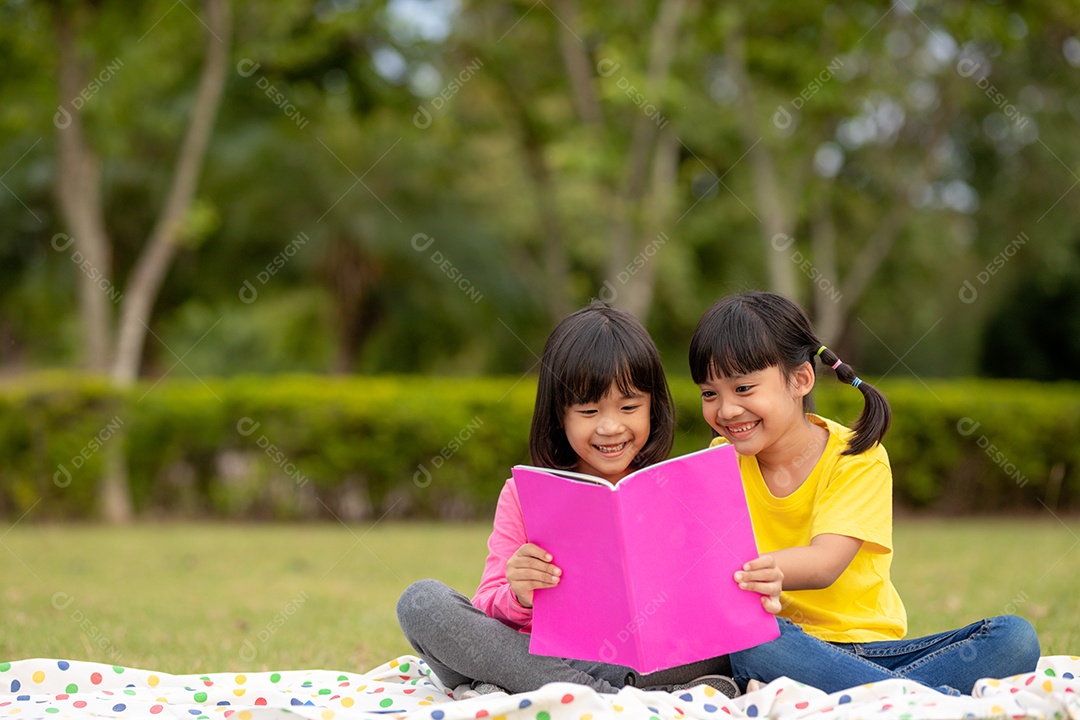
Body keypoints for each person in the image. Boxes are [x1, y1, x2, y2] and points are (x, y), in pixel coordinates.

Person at [397, 301, 780, 698]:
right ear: (559, 415)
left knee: (746, 644)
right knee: (422, 603)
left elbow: (717, 600)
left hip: (645, 660)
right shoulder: (524, 494)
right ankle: (607, 698)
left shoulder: (675, 488)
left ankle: (526, 688)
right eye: (588, 410)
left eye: (630, 407)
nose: (611, 427)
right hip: (543, 654)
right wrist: (519, 594)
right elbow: (487, 606)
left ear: (654, 407)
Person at [688, 290, 1041, 696]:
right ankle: (916, 700)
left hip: (869, 650)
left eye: (744, 388)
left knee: (1014, 638)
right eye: (709, 393)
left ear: (800, 379)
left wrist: (755, 572)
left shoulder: (857, 457)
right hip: (781, 646)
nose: (726, 410)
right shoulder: (716, 463)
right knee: (754, 642)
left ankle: (887, 696)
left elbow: (824, 564)